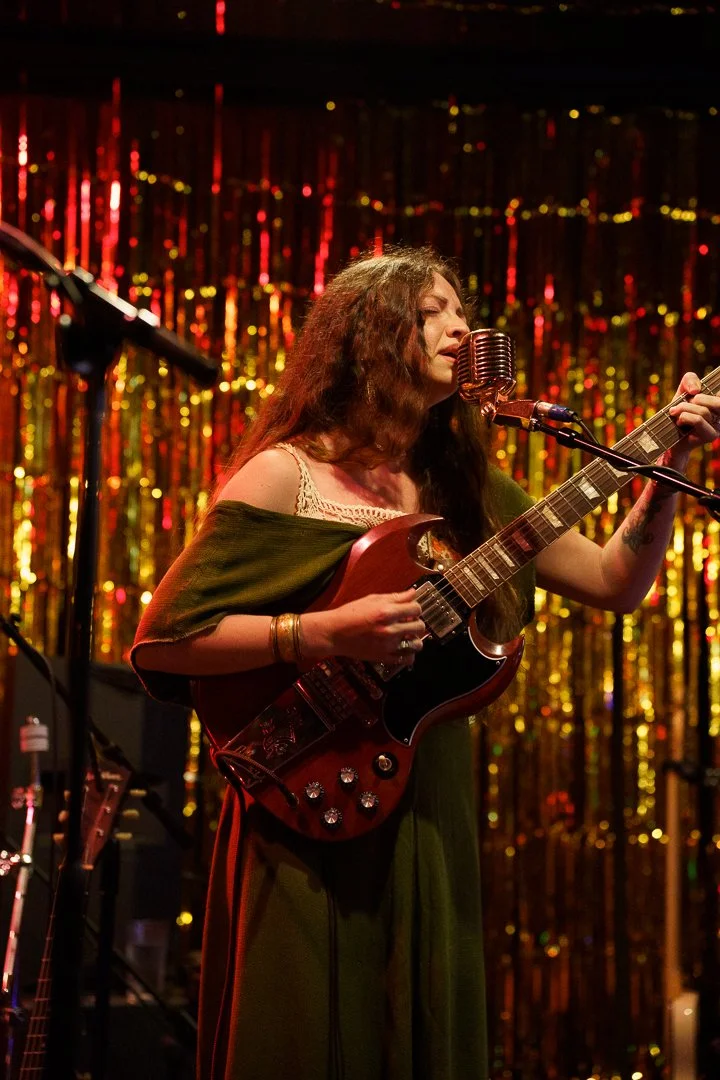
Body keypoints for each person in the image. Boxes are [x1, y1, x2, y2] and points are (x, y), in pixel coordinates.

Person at [131, 246, 720, 1080]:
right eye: (432, 311)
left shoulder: (464, 483)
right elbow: (165, 639)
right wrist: (322, 633)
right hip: (308, 792)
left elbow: (615, 583)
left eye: (460, 310)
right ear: (368, 336)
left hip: (425, 788)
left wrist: (668, 472)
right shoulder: (284, 474)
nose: (460, 327)